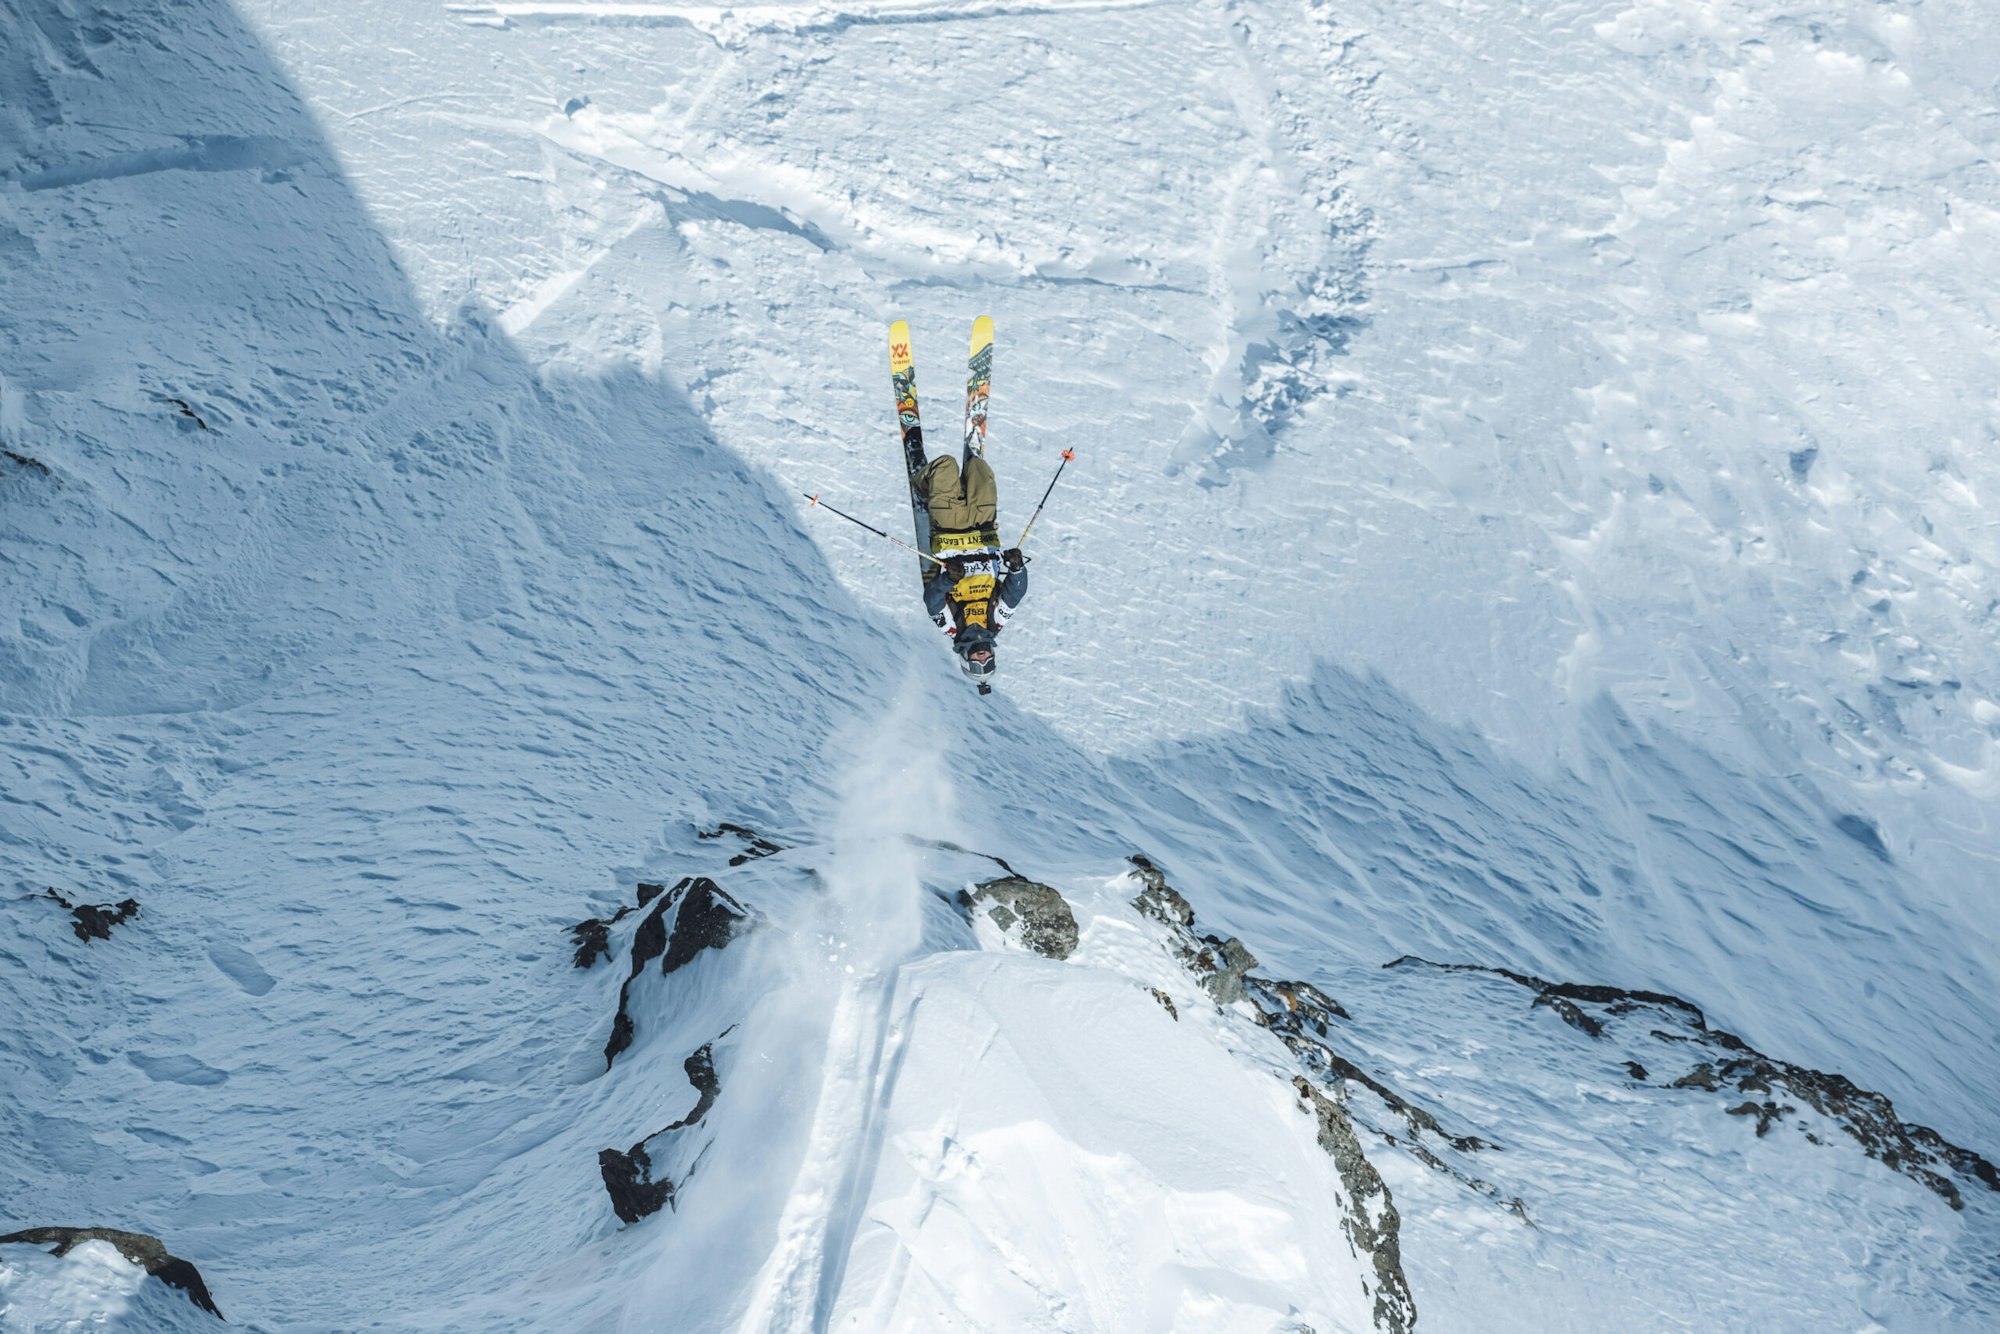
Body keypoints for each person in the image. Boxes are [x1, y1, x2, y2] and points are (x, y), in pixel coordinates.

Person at [916, 453, 1027, 684]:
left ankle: (923, 487)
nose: (983, 658)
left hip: (949, 533)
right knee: (979, 469)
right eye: (989, 661)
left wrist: (949, 579)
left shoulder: (951, 627)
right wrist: (1016, 567)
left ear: (966, 659)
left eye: (978, 664)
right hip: (983, 530)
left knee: (945, 465)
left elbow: (932, 601)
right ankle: (963, 484)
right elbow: (1015, 593)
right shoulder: (996, 621)